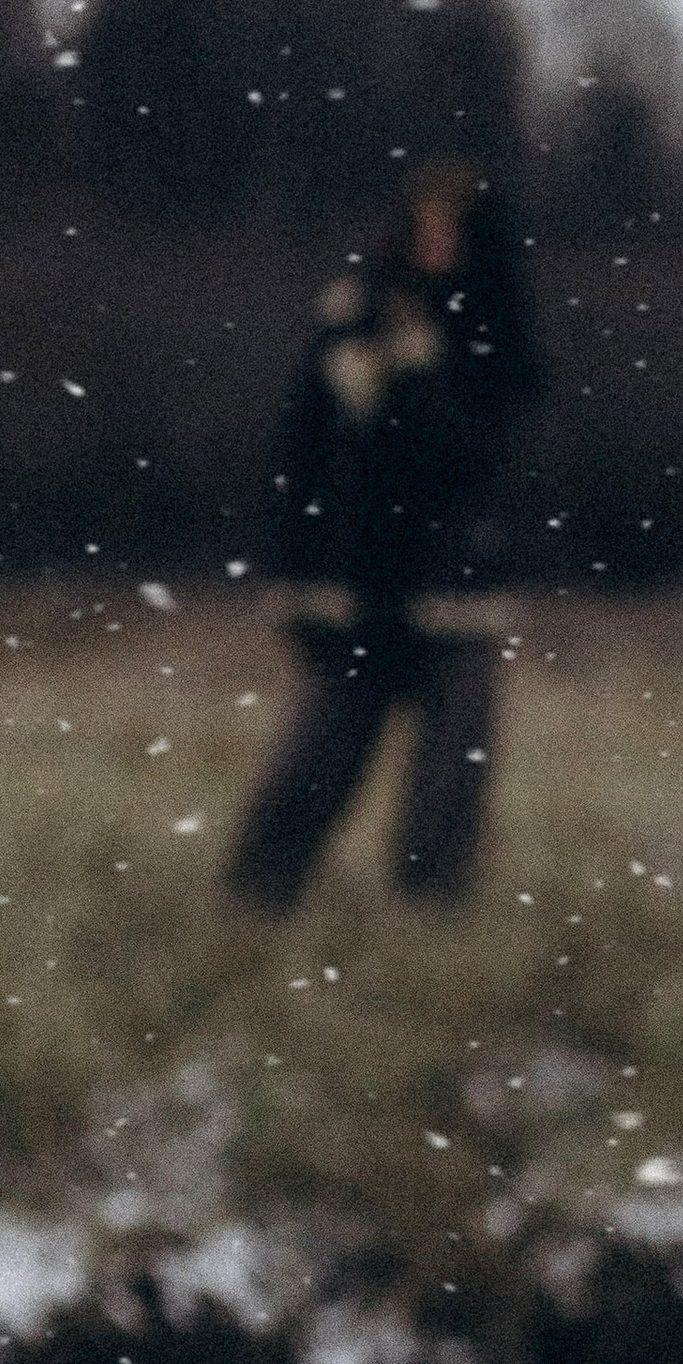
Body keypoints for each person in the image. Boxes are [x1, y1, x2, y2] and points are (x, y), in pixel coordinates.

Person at [227, 156, 543, 912]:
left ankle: (428, 912)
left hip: (453, 581)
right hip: (356, 574)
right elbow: (300, 455)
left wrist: (417, 375)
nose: (435, 239)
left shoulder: (494, 333)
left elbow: (480, 456)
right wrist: (290, 571)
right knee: (315, 751)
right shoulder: (348, 318)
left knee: (448, 774)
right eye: (425, 221)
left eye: (452, 225)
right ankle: (255, 898)